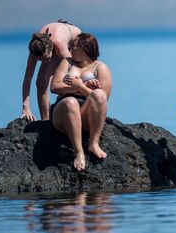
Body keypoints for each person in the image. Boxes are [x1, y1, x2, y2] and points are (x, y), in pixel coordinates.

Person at [50, 33, 112, 171]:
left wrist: (80, 86)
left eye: (74, 46)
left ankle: (93, 143)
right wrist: (79, 88)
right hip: (63, 113)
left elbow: (102, 99)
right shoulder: (67, 62)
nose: (70, 49)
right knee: (71, 102)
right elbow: (54, 87)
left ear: (84, 49)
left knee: (99, 94)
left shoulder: (100, 68)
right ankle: (79, 152)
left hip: (85, 114)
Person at [21, 20, 82, 121]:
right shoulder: (34, 50)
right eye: (41, 60)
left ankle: (73, 111)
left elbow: (73, 68)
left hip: (75, 39)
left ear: (50, 47)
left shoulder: (58, 44)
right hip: (53, 44)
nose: (46, 61)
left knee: (68, 77)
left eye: (47, 57)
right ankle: (45, 120)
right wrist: (25, 108)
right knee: (41, 82)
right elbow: (27, 78)